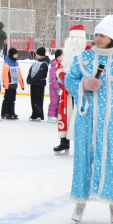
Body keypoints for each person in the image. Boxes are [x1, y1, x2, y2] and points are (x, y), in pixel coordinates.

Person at [65, 15, 113, 224]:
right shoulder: (83, 58)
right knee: (83, 161)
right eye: (96, 34)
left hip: (112, 124)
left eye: (102, 35)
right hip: (86, 121)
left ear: (111, 38)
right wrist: (84, 84)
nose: (97, 38)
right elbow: (69, 80)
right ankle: (80, 204)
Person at [54, 25, 91, 155]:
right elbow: (59, 67)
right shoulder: (66, 52)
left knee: (81, 116)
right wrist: (64, 77)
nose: (75, 41)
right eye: (73, 38)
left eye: (77, 38)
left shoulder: (89, 51)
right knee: (65, 115)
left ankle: (82, 145)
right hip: (67, 90)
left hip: (83, 89)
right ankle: (64, 142)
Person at [27, 47, 50, 121]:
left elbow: (40, 74)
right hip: (33, 83)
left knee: (38, 100)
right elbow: (31, 70)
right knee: (33, 100)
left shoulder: (44, 63)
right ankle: (34, 114)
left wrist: (32, 80)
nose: (36, 55)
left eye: (37, 54)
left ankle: (39, 114)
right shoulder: (36, 62)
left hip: (39, 84)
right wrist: (28, 79)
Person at [1, 48, 25, 120]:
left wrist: (22, 85)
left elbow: (19, 74)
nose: (17, 55)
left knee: (13, 99)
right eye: (15, 54)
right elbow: (5, 75)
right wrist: (6, 86)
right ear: (12, 55)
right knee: (7, 99)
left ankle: (11, 112)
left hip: (14, 85)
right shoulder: (7, 63)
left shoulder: (16, 63)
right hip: (9, 85)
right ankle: (5, 112)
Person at [47, 49, 63, 123]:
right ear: (56, 57)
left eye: (62, 57)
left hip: (60, 87)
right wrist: (57, 87)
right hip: (54, 87)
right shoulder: (54, 66)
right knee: (54, 102)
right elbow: (53, 78)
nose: (60, 59)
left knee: (59, 102)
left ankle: (56, 115)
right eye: (59, 57)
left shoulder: (62, 66)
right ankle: (51, 116)